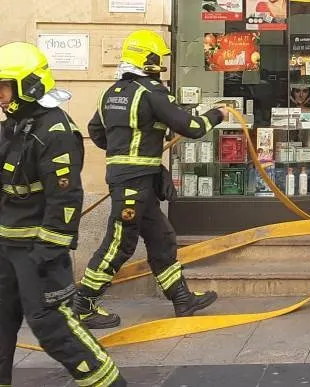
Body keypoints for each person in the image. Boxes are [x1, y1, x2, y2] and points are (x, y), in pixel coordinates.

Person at [72, 30, 226, 329]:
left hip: (131, 178)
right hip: (136, 182)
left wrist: (128, 153)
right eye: (158, 58)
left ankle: (181, 298)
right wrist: (217, 114)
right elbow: (192, 127)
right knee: (120, 243)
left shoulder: (110, 93)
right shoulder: (152, 92)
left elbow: (97, 131)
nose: (161, 64)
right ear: (148, 59)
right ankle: (84, 303)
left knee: (161, 237)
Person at [0, 42, 125, 387]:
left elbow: (66, 198)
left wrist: (48, 251)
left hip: (37, 250)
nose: (0, 96)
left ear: (29, 85)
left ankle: (108, 382)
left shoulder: (54, 131)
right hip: (6, 244)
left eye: (4, 87)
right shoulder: (13, 125)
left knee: (51, 325)